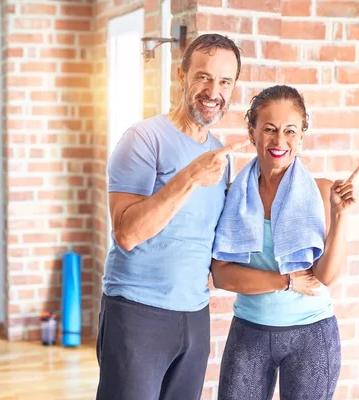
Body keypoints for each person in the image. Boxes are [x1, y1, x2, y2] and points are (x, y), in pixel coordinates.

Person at [95, 34, 250, 400]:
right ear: (181, 76)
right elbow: (127, 233)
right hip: (137, 312)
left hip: (194, 317)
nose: (213, 91)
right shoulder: (144, 138)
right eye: (203, 77)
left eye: (225, 82)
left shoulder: (218, 154)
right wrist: (191, 177)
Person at [211, 85, 359, 400]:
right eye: (269, 129)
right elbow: (223, 275)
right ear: (252, 133)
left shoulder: (322, 192)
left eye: (290, 131)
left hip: (312, 334)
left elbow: (325, 277)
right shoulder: (233, 196)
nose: (280, 141)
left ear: (302, 136)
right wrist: (286, 281)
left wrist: (340, 215)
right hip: (249, 329)